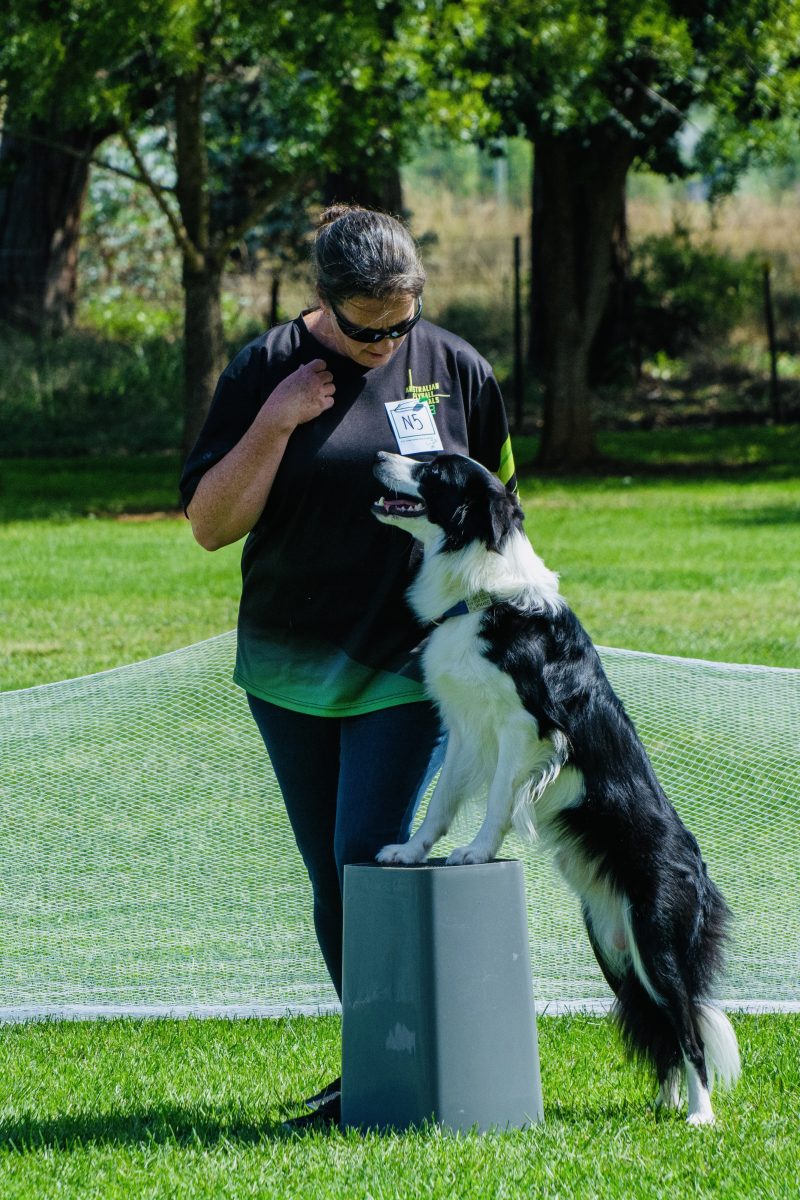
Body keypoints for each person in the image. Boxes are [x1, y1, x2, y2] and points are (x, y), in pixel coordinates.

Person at [179, 205, 517, 1128]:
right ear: (323, 301)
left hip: (412, 666)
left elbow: (499, 519)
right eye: (366, 328)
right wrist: (277, 423)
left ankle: (399, 1067)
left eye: (401, 322)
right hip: (289, 668)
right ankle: (374, 1059)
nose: (385, 342)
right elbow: (211, 525)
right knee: (334, 879)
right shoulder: (263, 370)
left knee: (366, 855)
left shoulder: (458, 371)